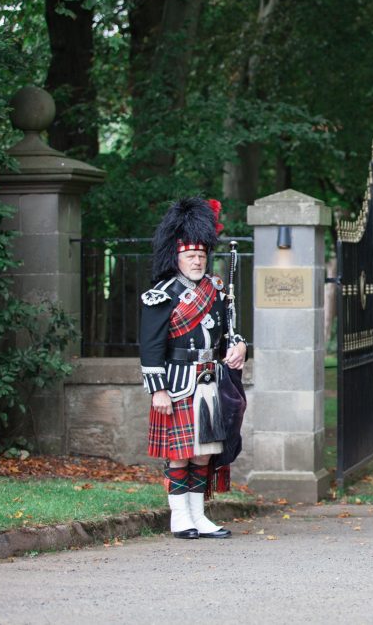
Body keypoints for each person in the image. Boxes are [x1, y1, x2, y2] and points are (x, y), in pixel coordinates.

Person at [139, 197, 247, 539]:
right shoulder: (162, 295)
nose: (197, 261)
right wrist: (158, 390)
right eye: (190, 256)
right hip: (177, 383)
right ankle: (179, 518)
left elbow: (229, 332)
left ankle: (199, 517)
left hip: (210, 380)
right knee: (180, 455)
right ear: (178, 257)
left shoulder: (216, 291)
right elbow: (151, 346)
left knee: (204, 455)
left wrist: (241, 347)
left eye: (201, 255)